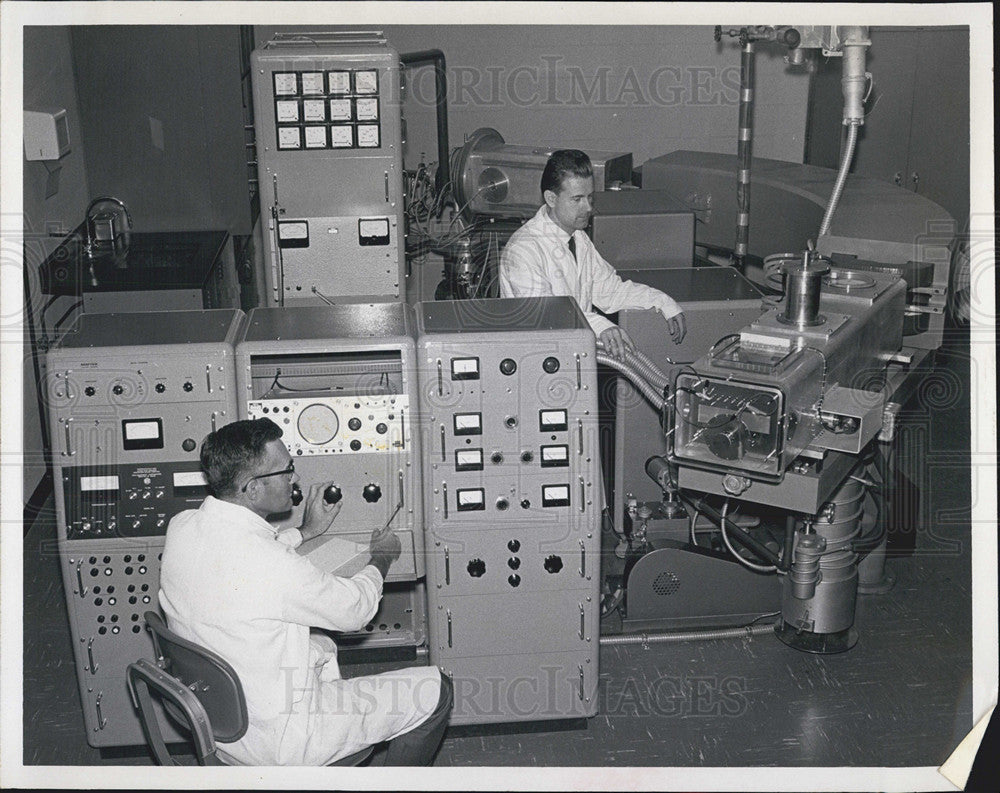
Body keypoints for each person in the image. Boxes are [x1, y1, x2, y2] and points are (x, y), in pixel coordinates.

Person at [158, 418, 452, 766]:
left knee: (320, 646)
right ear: (253, 489)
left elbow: (246, 555)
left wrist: (306, 530)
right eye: (286, 470)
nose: (294, 478)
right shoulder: (271, 564)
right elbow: (354, 611)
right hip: (282, 741)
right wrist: (382, 558)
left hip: (216, 722)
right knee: (438, 691)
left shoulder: (184, 526)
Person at [499, 149, 687, 360]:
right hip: (536, 362)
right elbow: (547, 315)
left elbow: (610, 291)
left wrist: (662, 302)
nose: (588, 207)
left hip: (574, 358)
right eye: (577, 199)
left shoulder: (578, 239)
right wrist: (600, 325)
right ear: (551, 198)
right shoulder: (523, 250)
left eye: (589, 197)